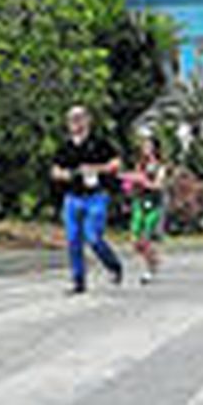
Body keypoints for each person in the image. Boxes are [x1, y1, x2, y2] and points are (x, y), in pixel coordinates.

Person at [50, 106, 124, 294]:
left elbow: (116, 163)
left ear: (88, 120)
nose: (76, 122)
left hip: (96, 196)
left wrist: (96, 169)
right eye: (72, 119)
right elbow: (55, 170)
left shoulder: (99, 143)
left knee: (93, 236)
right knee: (73, 240)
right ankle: (78, 281)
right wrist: (67, 174)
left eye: (79, 118)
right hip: (73, 198)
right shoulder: (65, 147)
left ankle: (113, 265)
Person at [127, 136, 166, 284]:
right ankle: (154, 259)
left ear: (155, 148)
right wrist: (129, 183)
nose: (146, 149)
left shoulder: (160, 166)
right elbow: (134, 180)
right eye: (144, 146)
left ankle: (148, 270)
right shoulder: (140, 165)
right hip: (139, 202)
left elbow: (159, 186)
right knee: (135, 241)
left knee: (146, 239)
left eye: (149, 146)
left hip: (154, 205)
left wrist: (145, 182)